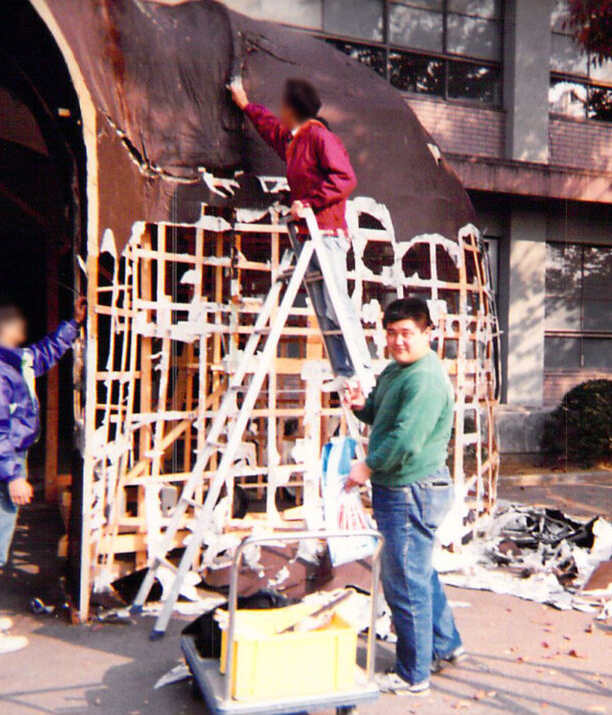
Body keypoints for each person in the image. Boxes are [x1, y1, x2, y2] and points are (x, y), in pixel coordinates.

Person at [0, 296, 86, 656]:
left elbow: (40, 356)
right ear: (3, 330)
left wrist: (72, 325)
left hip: (1, 462)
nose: (22, 329)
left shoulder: (6, 361)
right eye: (16, 323)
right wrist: (13, 475)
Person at [342, 297, 465, 696]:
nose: (397, 341)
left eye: (407, 333)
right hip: (405, 485)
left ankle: (414, 674)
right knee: (418, 571)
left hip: (412, 488)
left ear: (428, 333)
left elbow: (405, 440)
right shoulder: (398, 369)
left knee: (404, 581)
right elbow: (382, 414)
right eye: (391, 333)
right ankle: (445, 644)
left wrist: (367, 467)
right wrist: (362, 405)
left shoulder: (425, 378)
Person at [228, 77, 372, 388]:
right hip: (310, 236)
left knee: (336, 305)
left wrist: (308, 202)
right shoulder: (295, 142)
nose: (281, 113)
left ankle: (361, 370)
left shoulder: (320, 138)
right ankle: (344, 373)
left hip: (328, 234)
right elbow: (270, 130)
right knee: (322, 306)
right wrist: (245, 105)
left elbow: (345, 179)